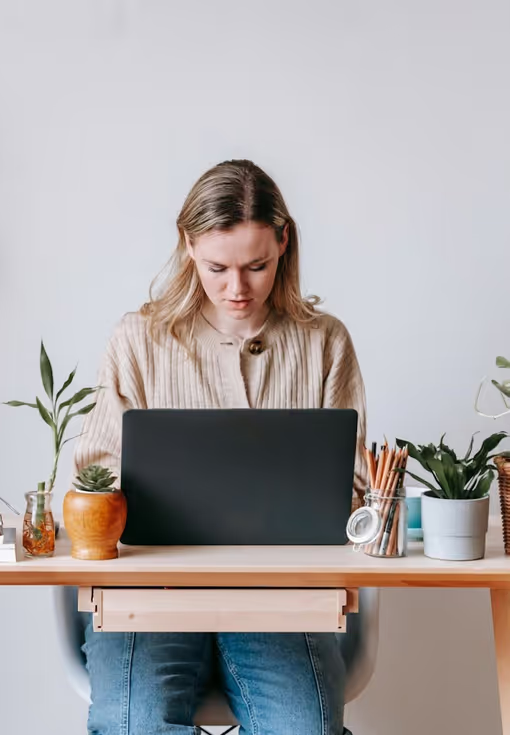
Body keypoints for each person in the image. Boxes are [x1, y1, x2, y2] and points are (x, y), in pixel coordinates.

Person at [72, 159, 368, 735]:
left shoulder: (324, 342)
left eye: (257, 265)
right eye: (218, 267)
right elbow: (95, 473)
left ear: (284, 242)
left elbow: (354, 490)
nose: (238, 288)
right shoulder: (139, 338)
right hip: (149, 595)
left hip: (281, 599)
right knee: (135, 725)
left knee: (303, 730)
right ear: (187, 246)